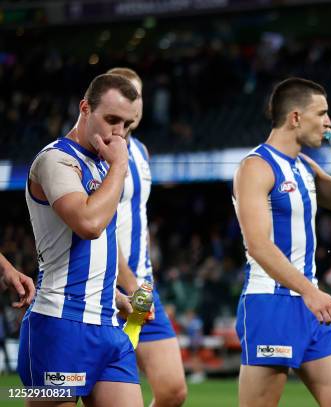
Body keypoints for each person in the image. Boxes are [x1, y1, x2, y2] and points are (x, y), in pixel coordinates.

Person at [233, 77, 331, 407]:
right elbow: (258, 244)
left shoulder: (303, 166)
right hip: (272, 302)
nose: (328, 122)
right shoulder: (256, 167)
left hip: (309, 305)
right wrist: (311, 293)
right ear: (295, 117)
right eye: (321, 113)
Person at [17, 73, 143, 407]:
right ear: (85, 108)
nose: (119, 133)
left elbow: (91, 251)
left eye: (127, 125)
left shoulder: (103, 167)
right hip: (61, 324)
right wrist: (119, 165)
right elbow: (88, 224)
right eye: (111, 120)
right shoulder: (56, 160)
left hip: (107, 325)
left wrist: (113, 295)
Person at [107, 67, 188, 407]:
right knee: (85, 390)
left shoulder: (140, 151)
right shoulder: (100, 150)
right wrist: (129, 282)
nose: (133, 103)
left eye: (136, 94)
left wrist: (143, 280)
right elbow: (102, 226)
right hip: (112, 288)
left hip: (141, 288)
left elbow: (136, 217)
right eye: (125, 95)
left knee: (172, 391)